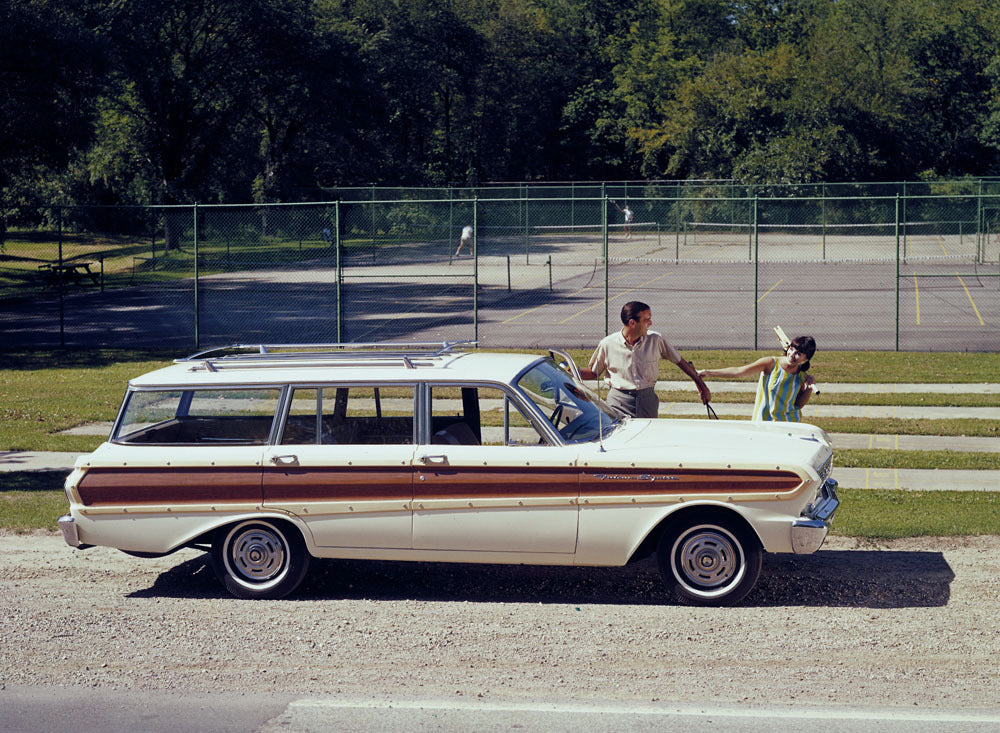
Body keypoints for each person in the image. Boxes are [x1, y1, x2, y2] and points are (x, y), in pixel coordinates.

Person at [579, 301, 711, 418]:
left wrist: (702, 386)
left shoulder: (656, 340)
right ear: (632, 323)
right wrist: (569, 370)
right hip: (617, 403)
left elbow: (681, 362)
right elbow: (593, 373)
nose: (650, 323)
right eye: (646, 320)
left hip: (647, 402)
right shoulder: (607, 344)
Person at [698, 336, 817, 422]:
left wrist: (809, 389)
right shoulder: (771, 364)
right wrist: (708, 372)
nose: (792, 354)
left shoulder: (801, 376)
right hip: (764, 422)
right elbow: (738, 371)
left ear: (806, 359)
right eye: (791, 349)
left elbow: (798, 405)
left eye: (798, 353)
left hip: (789, 424)